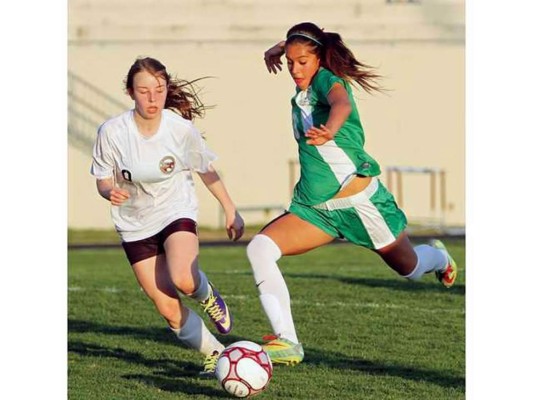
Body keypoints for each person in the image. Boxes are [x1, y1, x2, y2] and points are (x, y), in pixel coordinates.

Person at [247, 22, 458, 366]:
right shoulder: (300, 86)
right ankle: (288, 342)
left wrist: (329, 129)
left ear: (318, 59)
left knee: (411, 268)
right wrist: (278, 49)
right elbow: (300, 45)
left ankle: (439, 258)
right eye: (290, 63)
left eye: (302, 61)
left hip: (361, 205)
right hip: (317, 210)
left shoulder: (327, 80)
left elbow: (341, 104)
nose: (296, 69)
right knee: (259, 249)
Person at [90, 57, 245, 376]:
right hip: (134, 225)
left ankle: (207, 293)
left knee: (183, 278)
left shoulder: (179, 129)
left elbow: (206, 169)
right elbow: (103, 178)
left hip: (176, 210)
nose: (152, 98)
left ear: (166, 89)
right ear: (130, 92)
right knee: (168, 310)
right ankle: (216, 353)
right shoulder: (112, 131)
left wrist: (231, 210)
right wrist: (109, 192)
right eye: (143, 90)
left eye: (159, 89)